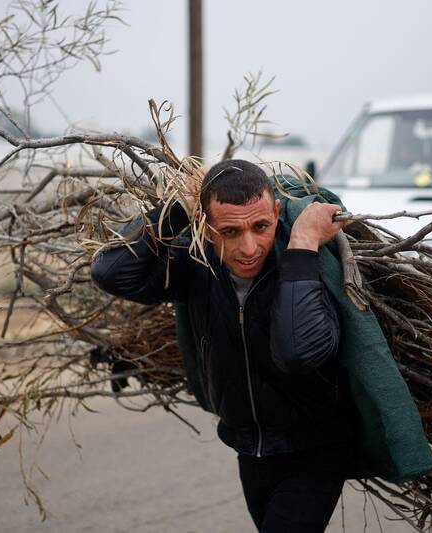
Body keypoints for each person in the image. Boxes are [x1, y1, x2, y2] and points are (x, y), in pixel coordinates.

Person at [91, 159, 359, 532]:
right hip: (248, 446)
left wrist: (302, 245)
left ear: (276, 213)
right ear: (205, 225)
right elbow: (110, 271)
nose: (249, 247)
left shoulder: (305, 264)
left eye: (260, 227)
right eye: (230, 231)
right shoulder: (197, 266)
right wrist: (178, 209)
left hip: (315, 448)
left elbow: (299, 352)